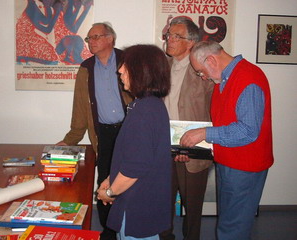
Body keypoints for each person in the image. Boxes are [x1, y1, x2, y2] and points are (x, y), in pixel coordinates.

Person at [180, 40, 274, 240]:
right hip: (229, 162)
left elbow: (248, 131)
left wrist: (205, 133)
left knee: (233, 228)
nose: (202, 77)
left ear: (211, 60)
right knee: (229, 221)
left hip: (244, 167)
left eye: (200, 71)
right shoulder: (224, 79)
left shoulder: (248, 79)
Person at [56, 22, 133, 240]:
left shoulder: (129, 61)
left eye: (96, 36)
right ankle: (109, 231)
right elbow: (80, 109)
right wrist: (69, 139)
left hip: (130, 130)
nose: (91, 41)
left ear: (111, 38)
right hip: (105, 134)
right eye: (89, 38)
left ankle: (130, 227)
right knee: (105, 183)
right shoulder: (85, 69)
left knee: (132, 179)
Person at [97, 44, 172, 240]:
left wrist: (110, 192)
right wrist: (110, 179)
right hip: (143, 199)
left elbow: (134, 168)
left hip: (138, 205)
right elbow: (133, 155)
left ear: (142, 71)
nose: (120, 70)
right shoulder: (148, 105)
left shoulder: (144, 112)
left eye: (126, 66)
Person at [160, 17, 214, 240]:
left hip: (194, 150)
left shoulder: (203, 71)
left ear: (191, 42)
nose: (169, 40)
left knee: (192, 208)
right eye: (169, 35)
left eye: (176, 36)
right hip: (163, 148)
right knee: (163, 202)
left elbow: (214, 113)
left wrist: (190, 148)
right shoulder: (162, 67)